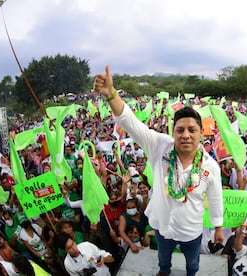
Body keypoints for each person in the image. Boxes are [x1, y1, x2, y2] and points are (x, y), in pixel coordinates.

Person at [94, 65, 224, 276]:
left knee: (193, 264)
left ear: (201, 133)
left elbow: (216, 198)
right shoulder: (160, 146)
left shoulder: (210, 166)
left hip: (191, 231)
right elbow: (132, 123)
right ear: (173, 132)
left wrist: (218, 227)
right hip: (162, 227)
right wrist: (111, 95)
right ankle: (164, 271)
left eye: (192, 130)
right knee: (163, 260)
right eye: (180, 130)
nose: (186, 135)